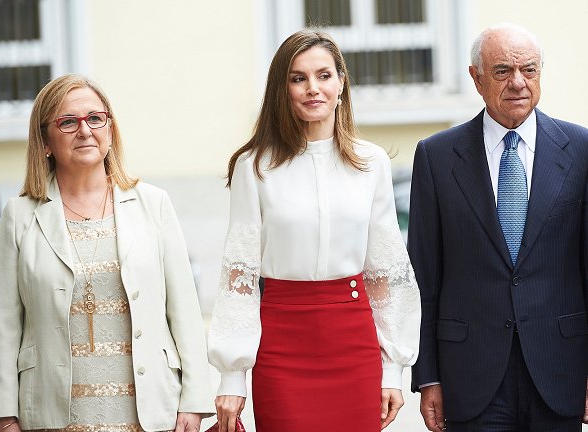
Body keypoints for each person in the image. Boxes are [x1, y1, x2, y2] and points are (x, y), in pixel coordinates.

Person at [207, 30, 421, 432]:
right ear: (282, 89)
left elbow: (386, 268)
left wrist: (392, 367)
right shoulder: (254, 167)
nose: (312, 89)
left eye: (323, 75)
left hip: (353, 340)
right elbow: (239, 275)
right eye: (298, 78)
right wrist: (232, 375)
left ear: (341, 82)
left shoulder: (371, 163)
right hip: (282, 342)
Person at [0, 74, 214, 432]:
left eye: (95, 118)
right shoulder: (19, 217)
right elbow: (1, 326)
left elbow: (184, 311)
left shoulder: (153, 204)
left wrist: (194, 401)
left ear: (110, 129)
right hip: (52, 415)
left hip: (148, 412)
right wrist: (2, 417)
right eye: (68, 122)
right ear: (45, 140)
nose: (85, 130)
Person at [409, 23, 588, 431]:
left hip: (560, 371)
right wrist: (429, 377)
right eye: (503, 70)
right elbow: (424, 278)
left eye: (529, 69)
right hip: (469, 377)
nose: (518, 83)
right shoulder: (436, 158)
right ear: (476, 78)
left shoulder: (581, 150)